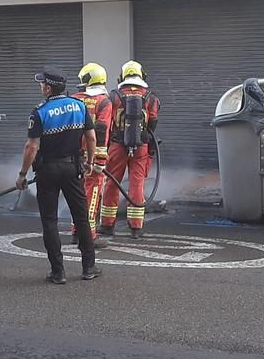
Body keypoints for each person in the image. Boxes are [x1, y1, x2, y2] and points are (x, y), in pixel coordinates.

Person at [16, 68, 103, 285]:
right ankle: (89, 268)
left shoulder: (40, 112)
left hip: (47, 172)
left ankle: (58, 272)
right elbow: (91, 138)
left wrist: (22, 174)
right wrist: (90, 163)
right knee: (81, 218)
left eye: (42, 83)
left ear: (48, 87)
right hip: (73, 169)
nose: (40, 86)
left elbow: (31, 147)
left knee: (50, 221)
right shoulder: (79, 106)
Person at [99, 60, 160, 239]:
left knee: (112, 183)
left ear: (123, 76)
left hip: (117, 145)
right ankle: (135, 228)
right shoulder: (150, 97)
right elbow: (153, 121)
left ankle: (107, 225)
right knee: (137, 184)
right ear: (142, 75)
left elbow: (108, 122)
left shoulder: (114, 95)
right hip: (141, 146)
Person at [69, 62, 112, 248]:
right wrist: (100, 160)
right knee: (92, 194)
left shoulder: (73, 99)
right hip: (91, 157)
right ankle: (89, 236)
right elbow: (101, 131)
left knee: (76, 194)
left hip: (72, 156)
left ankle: (76, 231)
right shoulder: (104, 101)